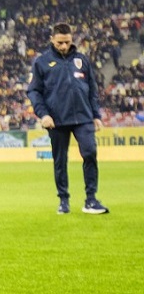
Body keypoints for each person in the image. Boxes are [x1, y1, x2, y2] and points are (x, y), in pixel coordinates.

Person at [26, 22, 108, 214]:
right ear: (52, 40)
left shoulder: (81, 59)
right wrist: (43, 114)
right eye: (60, 42)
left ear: (72, 39)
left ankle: (91, 200)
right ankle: (64, 200)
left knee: (90, 153)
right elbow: (34, 91)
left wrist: (96, 114)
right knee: (60, 161)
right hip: (56, 119)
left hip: (84, 117)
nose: (64, 46)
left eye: (67, 42)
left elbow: (92, 89)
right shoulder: (42, 62)